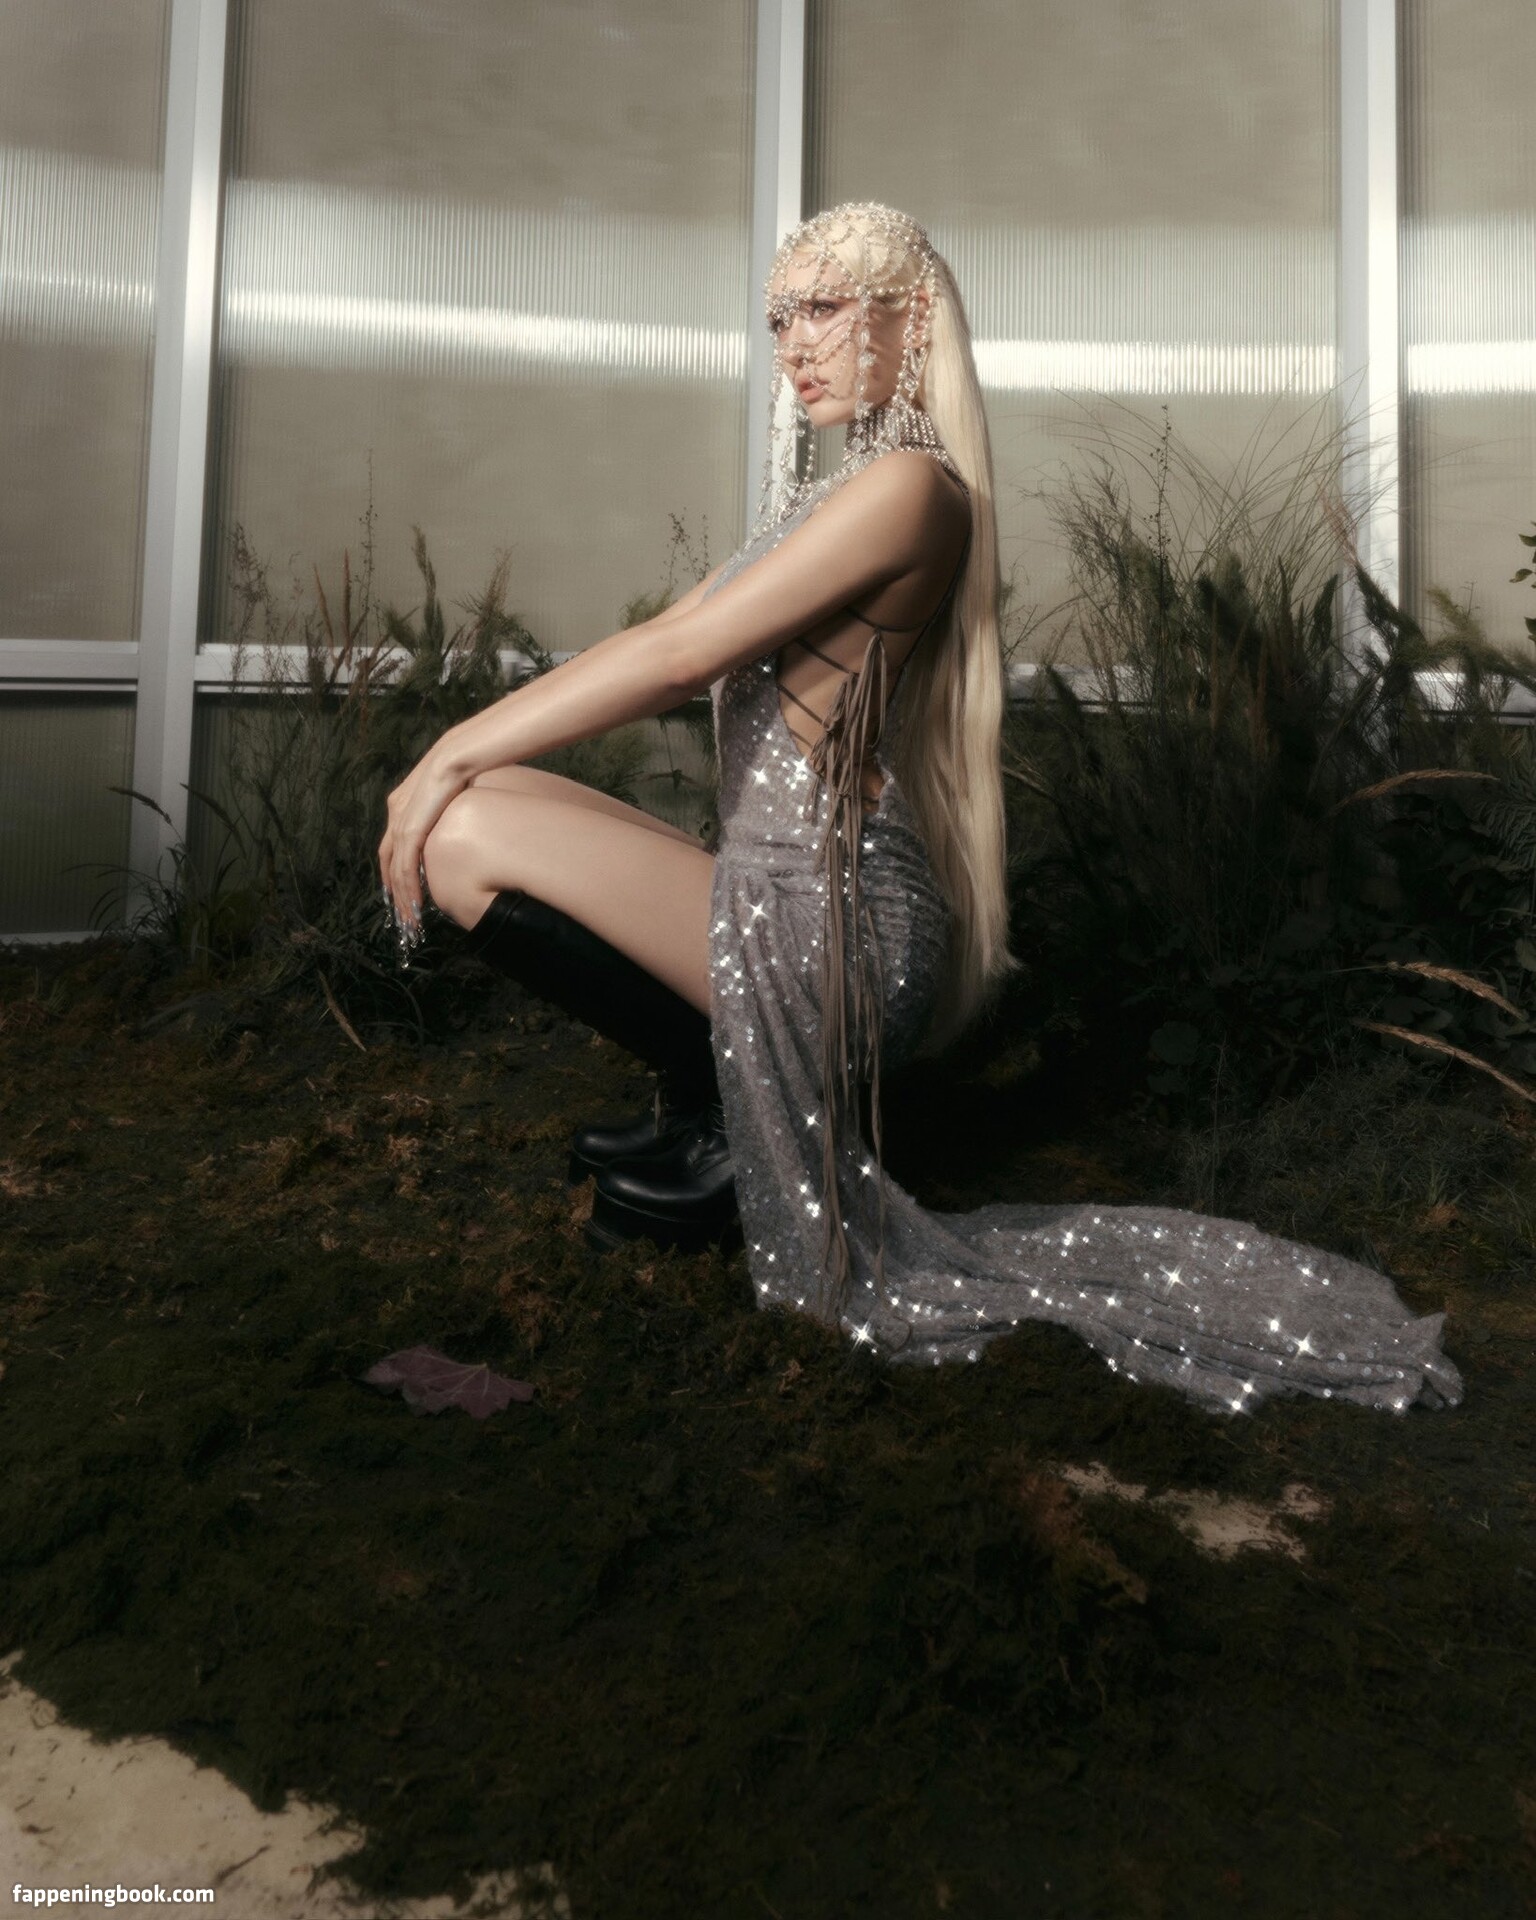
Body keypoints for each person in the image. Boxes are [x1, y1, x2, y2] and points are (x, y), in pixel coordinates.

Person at [378, 203, 1462, 1418]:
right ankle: (709, 1103)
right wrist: (460, 755)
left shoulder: (911, 488)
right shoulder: (837, 493)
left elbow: (682, 659)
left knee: (461, 828)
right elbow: (664, 635)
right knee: (484, 795)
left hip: (831, 928)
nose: (794, 344)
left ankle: (732, 1128)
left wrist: (443, 749)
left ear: (913, 320)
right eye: (780, 317)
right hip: (778, 890)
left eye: (826, 308)